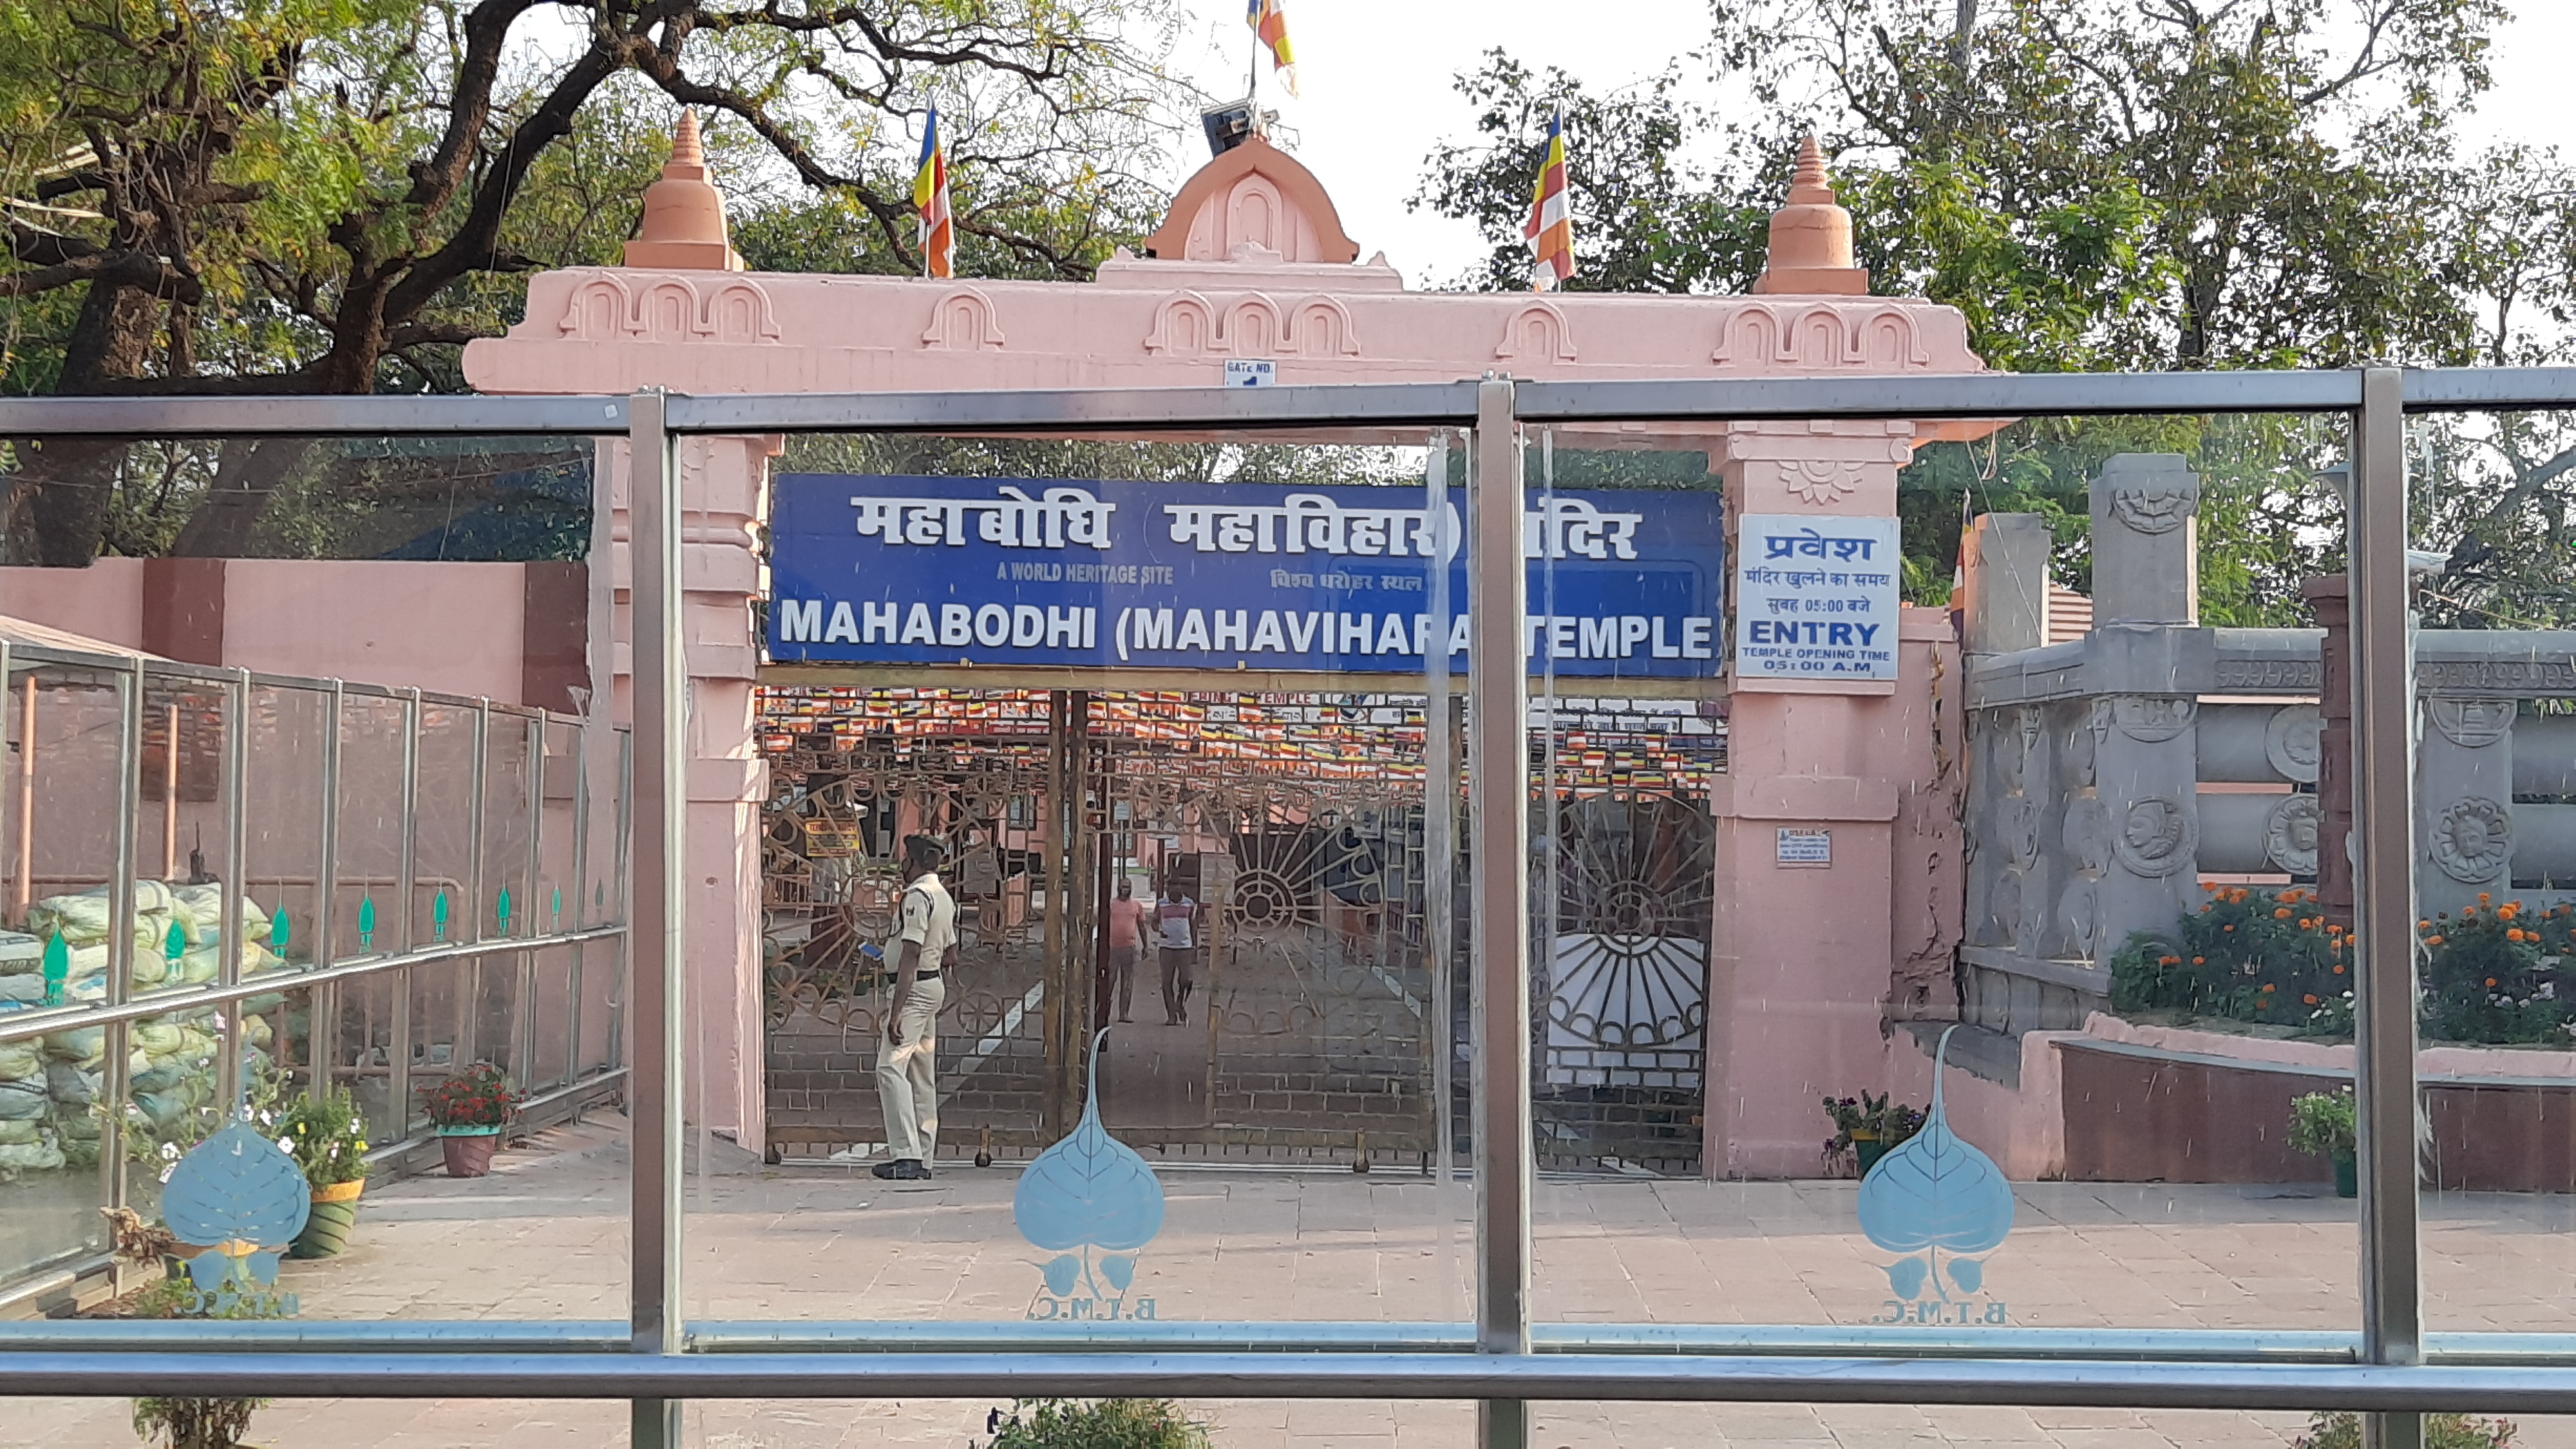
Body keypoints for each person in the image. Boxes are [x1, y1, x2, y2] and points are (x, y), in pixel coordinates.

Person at [874, 835, 956, 1180]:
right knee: (921, 1075)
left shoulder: (917, 897)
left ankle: (906, 1154)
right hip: (932, 983)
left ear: (917, 862)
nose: (902, 865)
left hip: (914, 988)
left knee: (889, 1068)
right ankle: (924, 1155)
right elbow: (953, 953)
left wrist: (897, 1010)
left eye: (906, 858)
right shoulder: (943, 896)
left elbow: (910, 951)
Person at [1155, 878, 1199, 1027]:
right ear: (1168, 888)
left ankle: (1179, 1003)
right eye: (1172, 886)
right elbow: (1155, 921)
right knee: (1167, 983)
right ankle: (1171, 1015)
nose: (1175, 889)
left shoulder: (1189, 904)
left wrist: (1194, 946)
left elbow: (1193, 924)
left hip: (1185, 948)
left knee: (1186, 980)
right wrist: (1159, 930)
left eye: (1178, 886)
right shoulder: (1162, 903)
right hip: (1167, 948)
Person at [1105, 875, 1149, 1023]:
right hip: (1113, 949)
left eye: (1128, 887)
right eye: (1123, 887)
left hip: (1129, 948)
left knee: (1127, 983)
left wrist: (1146, 945)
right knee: (1109, 982)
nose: (1125, 890)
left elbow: (1142, 927)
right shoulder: (1111, 904)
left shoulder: (1136, 905)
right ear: (1118, 888)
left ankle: (1124, 1014)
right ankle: (1105, 1012)